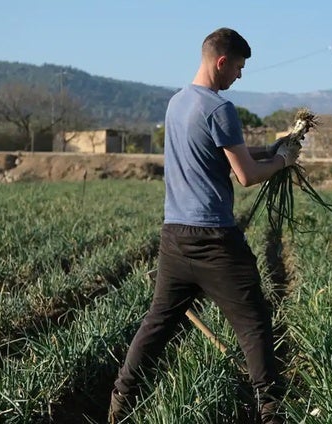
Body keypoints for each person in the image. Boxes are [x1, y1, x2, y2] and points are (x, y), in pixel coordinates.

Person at [108, 27, 298, 424]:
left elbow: (223, 154)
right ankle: (270, 410)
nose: (240, 77)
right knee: (254, 323)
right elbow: (245, 175)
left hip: (174, 238)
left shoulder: (177, 104)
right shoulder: (219, 108)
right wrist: (284, 161)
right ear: (222, 61)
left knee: (157, 325)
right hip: (215, 240)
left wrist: (275, 146)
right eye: (239, 68)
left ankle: (119, 402)